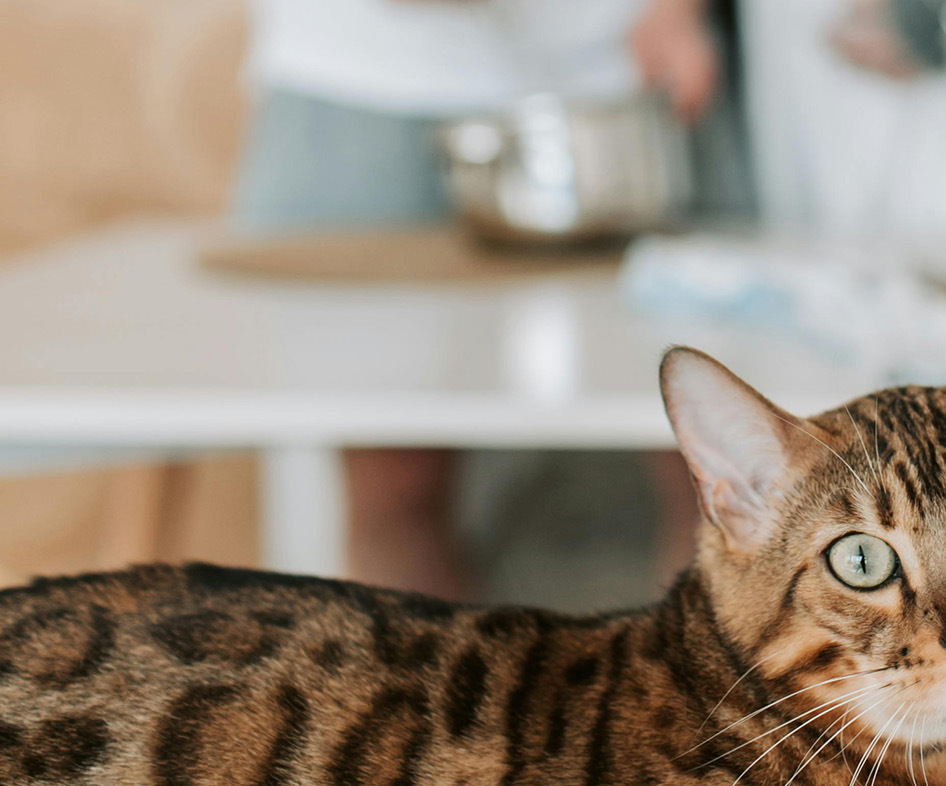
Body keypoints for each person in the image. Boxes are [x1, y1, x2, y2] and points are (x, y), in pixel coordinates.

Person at [234, 0, 722, 600]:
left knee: (715, 475)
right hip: (364, 74)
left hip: (626, 66)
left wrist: (678, 9)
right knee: (394, 486)